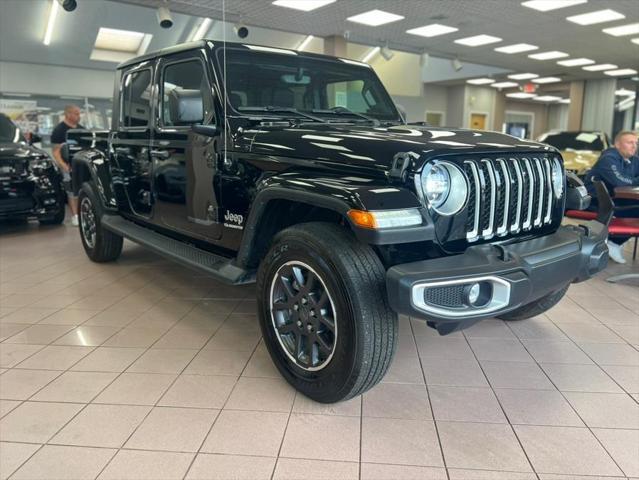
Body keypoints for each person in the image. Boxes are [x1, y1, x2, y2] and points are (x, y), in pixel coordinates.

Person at [584, 130, 639, 264]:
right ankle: (614, 243)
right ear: (617, 144)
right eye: (629, 142)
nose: (634, 146)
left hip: (617, 201)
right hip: (598, 203)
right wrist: (635, 180)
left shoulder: (633, 160)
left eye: (636, 143)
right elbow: (619, 182)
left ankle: (615, 242)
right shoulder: (608, 158)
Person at [51, 105, 84, 226]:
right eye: (76, 113)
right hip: (67, 165)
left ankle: (83, 214)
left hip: (80, 165)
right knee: (71, 191)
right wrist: (64, 166)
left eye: (79, 114)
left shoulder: (81, 129)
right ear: (68, 114)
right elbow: (56, 151)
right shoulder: (59, 130)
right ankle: (75, 216)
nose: (78, 116)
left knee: (81, 190)